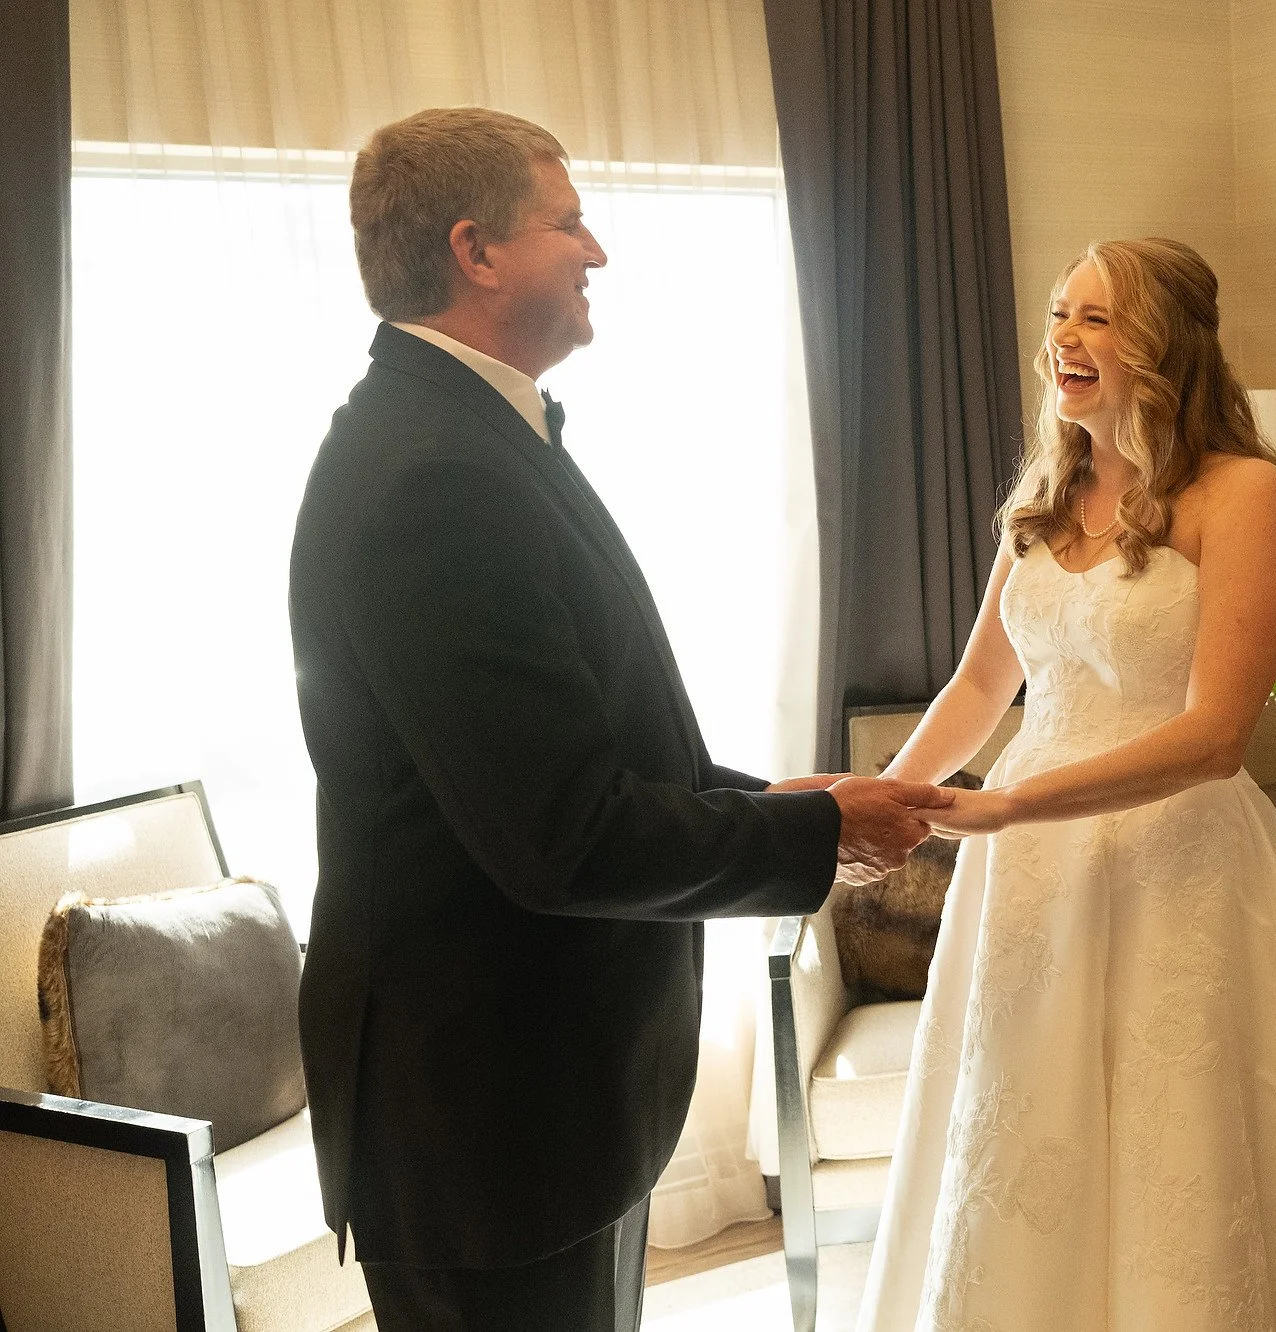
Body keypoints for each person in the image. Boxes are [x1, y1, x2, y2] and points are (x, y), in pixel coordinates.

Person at [289, 107, 948, 1332]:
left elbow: (595, 755)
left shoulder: (480, 435)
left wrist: (790, 806)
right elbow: (564, 837)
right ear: (475, 250)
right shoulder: (433, 477)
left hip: (546, 1101)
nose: (597, 253)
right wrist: (815, 837)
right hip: (489, 1115)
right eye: (570, 220)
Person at [855, 238, 1276, 1330]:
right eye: (1058, 315)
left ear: (1164, 347)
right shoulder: (1047, 493)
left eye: (1095, 320)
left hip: (1169, 858)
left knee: (1173, 1131)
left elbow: (1215, 736)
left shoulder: (1243, 494)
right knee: (1023, 1117)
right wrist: (882, 802)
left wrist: (1013, 803)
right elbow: (981, 686)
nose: (1060, 340)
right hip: (1029, 872)